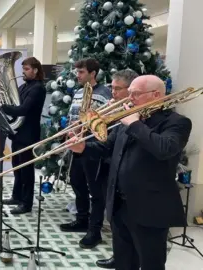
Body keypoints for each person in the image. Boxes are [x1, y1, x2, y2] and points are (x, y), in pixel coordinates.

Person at [68, 75, 190, 270]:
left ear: (156, 95)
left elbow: (164, 149)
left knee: (151, 264)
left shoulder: (176, 122)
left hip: (150, 210)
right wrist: (82, 147)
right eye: (130, 92)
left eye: (135, 94)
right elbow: (107, 147)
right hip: (119, 206)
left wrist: (134, 124)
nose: (129, 98)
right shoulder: (129, 118)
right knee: (124, 262)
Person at [59, 58, 112, 249]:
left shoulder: (105, 94)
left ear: (93, 73)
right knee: (77, 183)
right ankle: (81, 219)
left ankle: (94, 230)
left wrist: (85, 132)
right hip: (77, 147)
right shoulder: (79, 92)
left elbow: (105, 125)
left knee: (96, 192)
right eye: (77, 72)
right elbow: (74, 117)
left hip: (93, 149)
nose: (78, 76)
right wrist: (69, 131)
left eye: (81, 72)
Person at [96, 69, 138, 269]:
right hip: (109, 166)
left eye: (117, 88)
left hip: (131, 178)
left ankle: (124, 257)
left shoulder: (134, 113)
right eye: (111, 87)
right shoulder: (115, 107)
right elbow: (105, 141)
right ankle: (118, 256)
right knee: (114, 217)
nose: (112, 92)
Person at [0, 57, 46, 215]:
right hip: (18, 133)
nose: (23, 73)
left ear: (35, 70)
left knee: (26, 170)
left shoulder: (38, 88)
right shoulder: (23, 87)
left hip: (29, 134)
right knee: (17, 168)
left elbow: (23, 109)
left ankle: (26, 203)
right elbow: (15, 104)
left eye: (26, 69)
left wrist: (4, 107)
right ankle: (16, 196)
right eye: (23, 69)